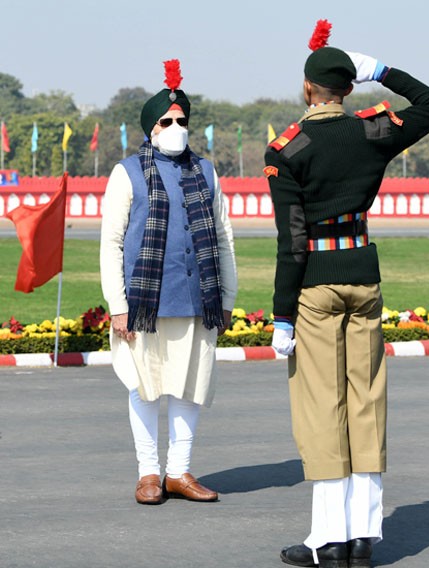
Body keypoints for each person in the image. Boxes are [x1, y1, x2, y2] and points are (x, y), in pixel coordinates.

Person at [264, 20, 429, 568]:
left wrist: (281, 315)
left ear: (307, 88)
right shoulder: (372, 131)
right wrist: (384, 72)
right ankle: (366, 536)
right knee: (366, 401)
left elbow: (291, 241)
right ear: (350, 89)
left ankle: (329, 538)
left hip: (316, 284)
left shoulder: (288, 147)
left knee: (323, 408)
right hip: (363, 275)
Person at [100, 58, 237, 505]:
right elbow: (112, 245)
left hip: (199, 299)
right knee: (144, 387)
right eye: (167, 120)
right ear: (151, 128)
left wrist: (228, 297)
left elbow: (223, 237)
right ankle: (148, 473)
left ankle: (178, 470)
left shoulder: (207, 172)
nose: (176, 126)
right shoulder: (127, 173)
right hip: (144, 304)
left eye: (182, 120)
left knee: (189, 386)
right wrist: (117, 304)